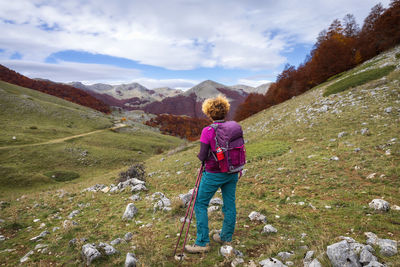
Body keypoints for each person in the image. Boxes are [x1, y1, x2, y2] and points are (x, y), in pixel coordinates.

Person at [185, 95, 244, 253]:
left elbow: (203, 155)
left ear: (209, 113)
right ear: (225, 111)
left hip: (214, 173)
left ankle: (202, 242)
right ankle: (225, 237)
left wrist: (200, 157)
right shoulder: (234, 127)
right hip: (233, 171)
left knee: (200, 203)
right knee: (229, 203)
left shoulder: (208, 131)